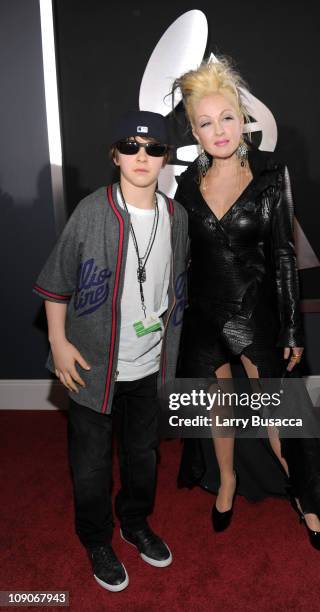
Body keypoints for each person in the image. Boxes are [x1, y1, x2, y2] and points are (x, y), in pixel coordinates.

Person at [171, 58, 320, 552]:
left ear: (243, 120)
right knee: (220, 411)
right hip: (204, 315)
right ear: (193, 130)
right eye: (206, 122)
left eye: (227, 117)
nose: (219, 130)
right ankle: (228, 482)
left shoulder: (272, 178)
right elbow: (180, 255)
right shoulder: (186, 185)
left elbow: (283, 256)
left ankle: (306, 496)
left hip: (255, 315)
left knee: (275, 416)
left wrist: (293, 331)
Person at [33, 110, 188, 590]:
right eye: (132, 146)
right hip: (92, 367)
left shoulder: (176, 217)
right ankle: (96, 537)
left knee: (143, 457)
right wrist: (58, 344)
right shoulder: (91, 210)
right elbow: (55, 286)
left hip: (148, 367)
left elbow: (175, 288)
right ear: (115, 154)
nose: (142, 156)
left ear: (166, 159)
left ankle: (134, 523)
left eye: (154, 149)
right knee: (92, 464)